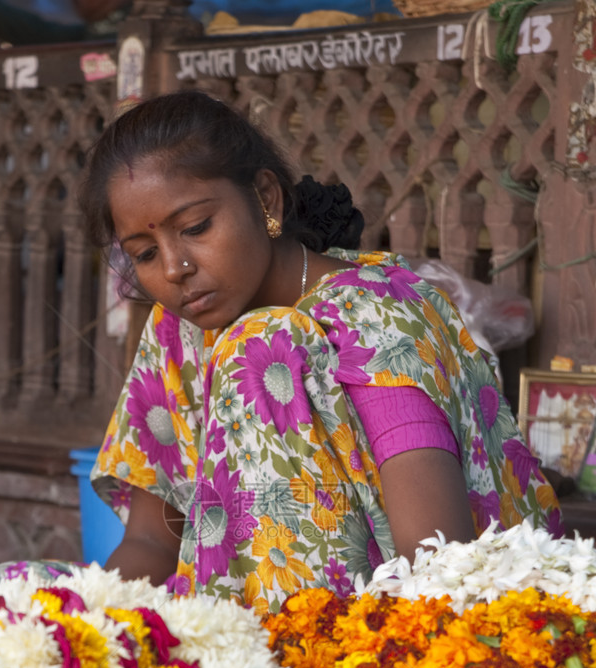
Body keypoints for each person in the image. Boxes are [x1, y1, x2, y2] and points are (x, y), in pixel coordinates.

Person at [80, 89, 562, 615]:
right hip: (228, 632)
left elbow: (438, 558)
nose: (174, 268)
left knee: (259, 346)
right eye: (145, 255)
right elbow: (152, 543)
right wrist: (88, 630)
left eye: (196, 228)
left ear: (266, 198)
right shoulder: (178, 330)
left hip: (391, 621)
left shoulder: (375, 315)